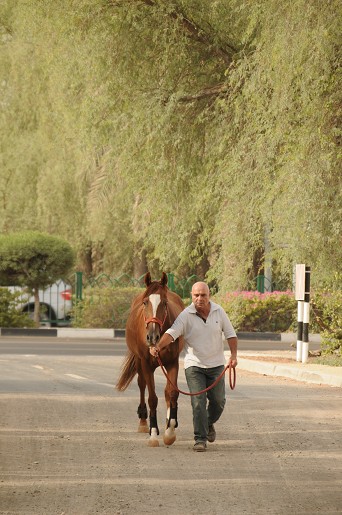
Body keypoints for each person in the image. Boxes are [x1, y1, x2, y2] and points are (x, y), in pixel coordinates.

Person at [149, 281, 238, 452]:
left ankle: (208, 422)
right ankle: (200, 439)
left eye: (203, 295)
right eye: (196, 295)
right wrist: (159, 346)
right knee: (198, 402)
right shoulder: (186, 315)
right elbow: (172, 333)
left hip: (217, 365)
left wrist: (233, 356)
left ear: (209, 295)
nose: (200, 299)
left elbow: (230, 335)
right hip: (194, 366)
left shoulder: (219, 311)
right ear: (192, 296)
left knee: (219, 402)